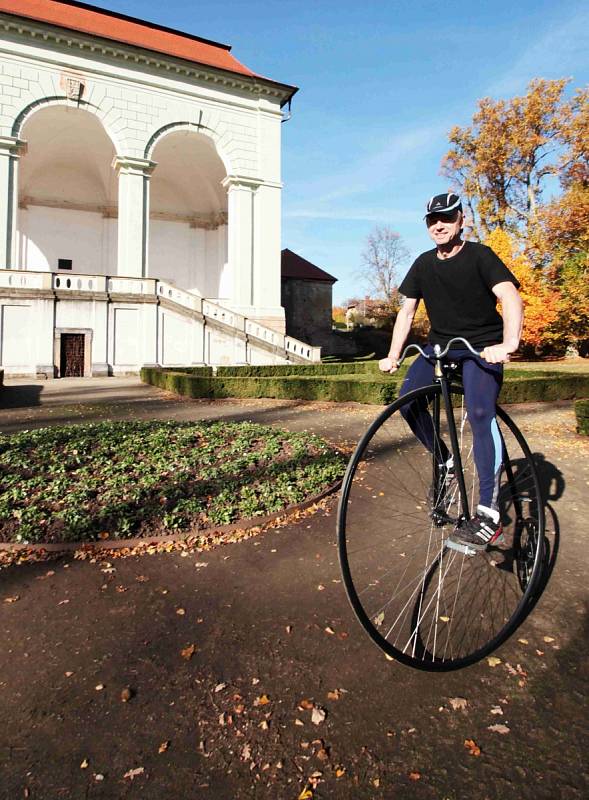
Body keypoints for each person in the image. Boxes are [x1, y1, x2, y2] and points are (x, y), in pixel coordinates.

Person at [379, 192, 524, 551]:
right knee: (407, 402)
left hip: (481, 347)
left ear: (461, 219)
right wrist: (393, 354)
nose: (438, 225)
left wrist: (508, 343)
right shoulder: (423, 264)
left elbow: (509, 297)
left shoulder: (480, 256)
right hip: (440, 348)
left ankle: (488, 516)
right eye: (432, 220)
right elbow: (407, 313)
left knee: (479, 414)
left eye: (445, 218)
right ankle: (444, 460)